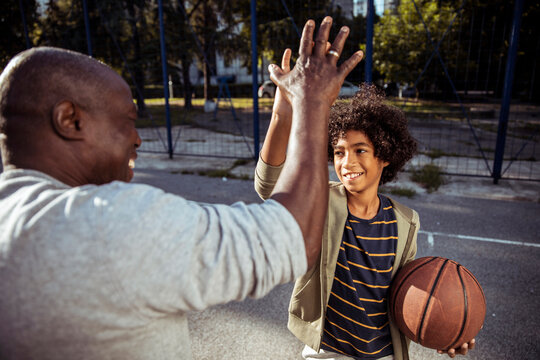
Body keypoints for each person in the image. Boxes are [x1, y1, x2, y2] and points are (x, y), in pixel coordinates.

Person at [0, 17, 363, 359]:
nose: (137, 139)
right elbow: (294, 238)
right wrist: (312, 102)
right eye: (128, 121)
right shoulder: (105, 222)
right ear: (70, 119)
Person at [254, 73, 475, 358]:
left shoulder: (405, 222)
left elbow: (405, 296)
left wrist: (446, 331)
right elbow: (267, 185)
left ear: (384, 155)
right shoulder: (321, 201)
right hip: (329, 351)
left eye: (360, 150)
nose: (348, 163)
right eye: (339, 152)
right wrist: (281, 113)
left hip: (382, 353)